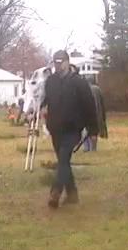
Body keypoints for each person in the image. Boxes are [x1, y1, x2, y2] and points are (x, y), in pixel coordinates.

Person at [40, 50, 98, 208]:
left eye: (60, 62)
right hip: (55, 129)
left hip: (73, 129)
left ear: (67, 62)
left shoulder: (79, 82)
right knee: (63, 161)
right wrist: (39, 109)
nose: (58, 66)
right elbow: (45, 100)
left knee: (64, 158)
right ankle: (72, 194)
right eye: (55, 62)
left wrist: (93, 130)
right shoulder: (51, 81)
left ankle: (55, 193)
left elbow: (90, 107)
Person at [84, 80, 108, 152]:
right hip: (97, 114)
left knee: (86, 131)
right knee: (94, 132)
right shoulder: (97, 89)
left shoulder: (84, 90)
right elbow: (102, 103)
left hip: (87, 114)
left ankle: (87, 148)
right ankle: (93, 148)